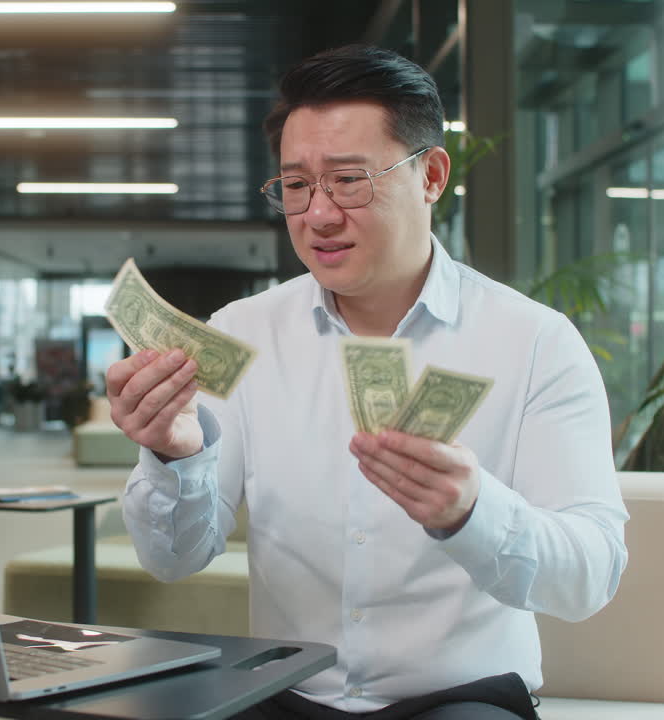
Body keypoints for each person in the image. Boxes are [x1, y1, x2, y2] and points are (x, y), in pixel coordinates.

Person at [105, 44, 628, 720]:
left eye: (350, 181)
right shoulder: (242, 333)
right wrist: (174, 456)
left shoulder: (534, 342)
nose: (319, 214)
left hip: (462, 698)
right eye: (296, 185)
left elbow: (591, 575)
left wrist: (473, 511)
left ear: (432, 175)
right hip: (284, 693)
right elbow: (171, 560)